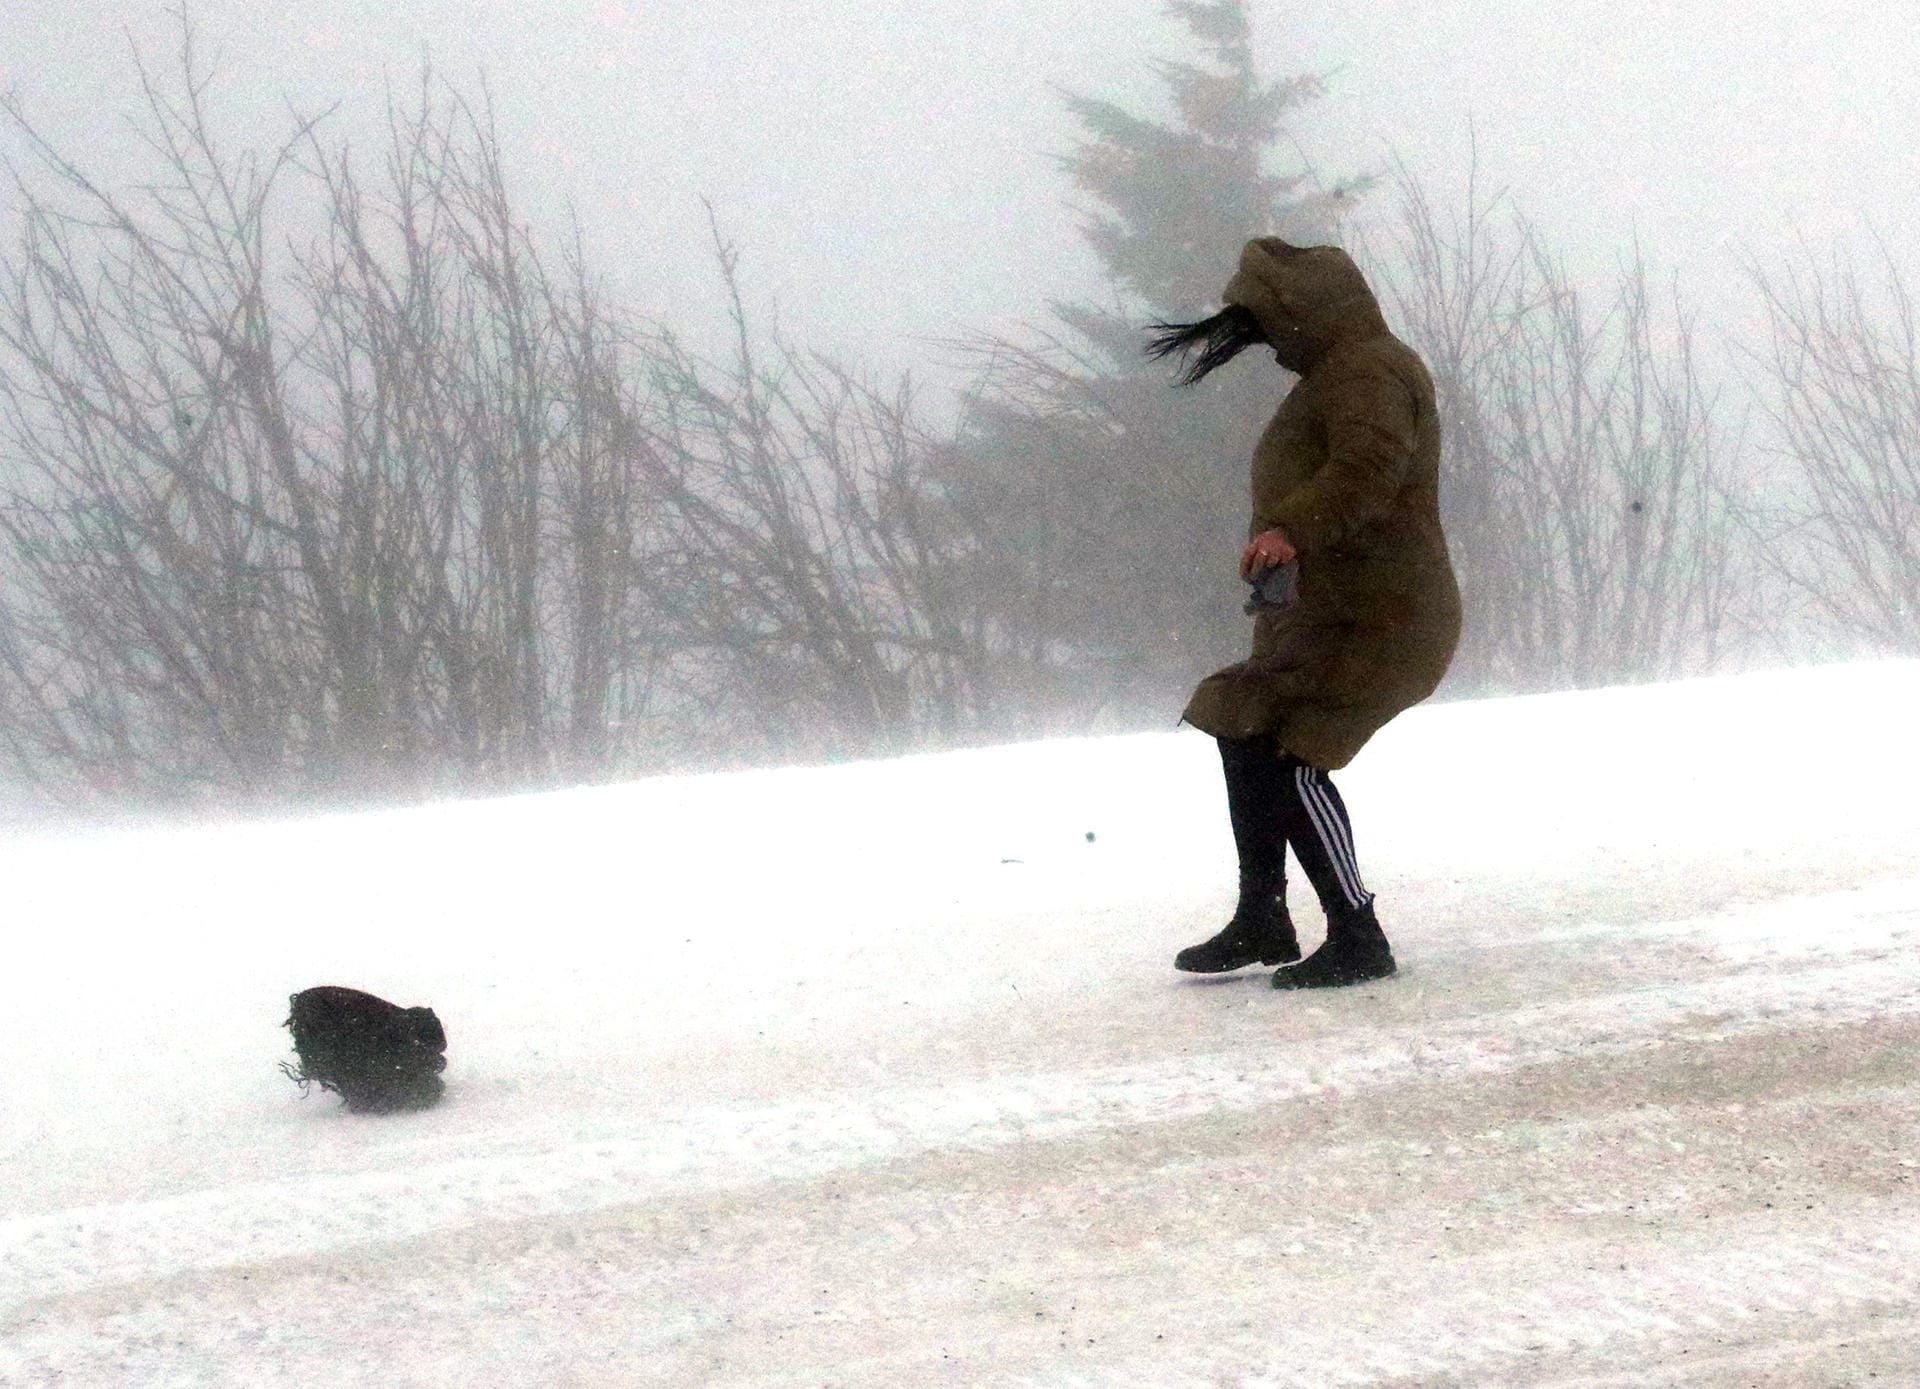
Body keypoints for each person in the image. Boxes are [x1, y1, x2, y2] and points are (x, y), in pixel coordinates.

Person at [1148, 238, 1460, 989]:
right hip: (1332, 614)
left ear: (1303, 314)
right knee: (1242, 717)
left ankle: (1358, 934)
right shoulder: (1336, 373)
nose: (1268, 347)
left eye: (1268, 325)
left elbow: (1368, 469)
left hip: (1387, 616)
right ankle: (1264, 917)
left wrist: (1291, 527)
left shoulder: (1368, 371)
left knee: (1295, 753)